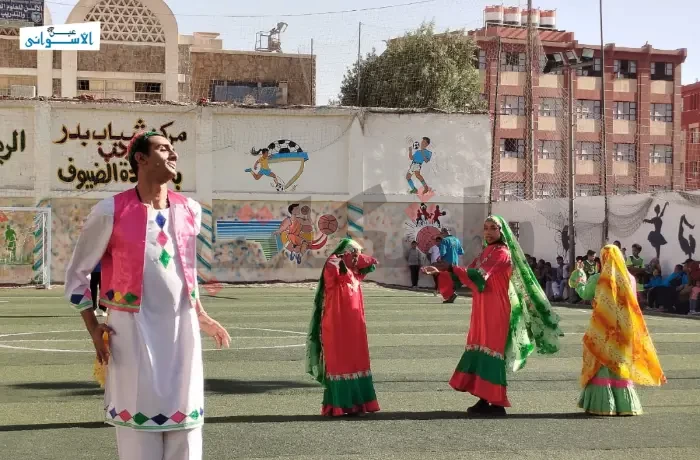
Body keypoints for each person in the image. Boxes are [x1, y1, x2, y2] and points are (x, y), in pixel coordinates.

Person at [64, 131, 231, 460]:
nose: (174, 155)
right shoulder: (110, 211)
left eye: (173, 148)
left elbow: (185, 269)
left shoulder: (191, 210)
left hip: (182, 333)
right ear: (140, 159)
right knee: (139, 435)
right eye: (164, 148)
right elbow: (77, 276)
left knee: (186, 431)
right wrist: (93, 327)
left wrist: (199, 313)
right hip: (131, 333)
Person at [422, 215, 563, 416]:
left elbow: (480, 276)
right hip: (482, 306)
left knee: (493, 350)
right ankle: (483, 398)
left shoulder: (503, 253)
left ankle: (497, 403)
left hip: (496, 307)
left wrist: (450, 267)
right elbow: (468, 273)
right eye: (486, 228)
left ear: (501, 231)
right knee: (480, 346)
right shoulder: (486, 252)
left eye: (493, 228)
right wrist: (440, 271)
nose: (488, 232)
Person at [569, 245, 666, 416]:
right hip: (625, 328)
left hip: (603, 328)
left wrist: (580, 275)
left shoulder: (599, 278)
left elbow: (584, 294)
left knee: (601, 362)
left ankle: (603, 405)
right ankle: (626, 405)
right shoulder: (630, 278)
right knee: (620, 363)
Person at [306, 238, 380, 416]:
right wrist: (343, 258)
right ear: (344, 253)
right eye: (353, 254)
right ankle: (339, 404)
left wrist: (356, 254)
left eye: (357, 255)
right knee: (340, 362)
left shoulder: (354, 271)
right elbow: (335, 272)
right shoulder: (334, 265)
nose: (356, 258)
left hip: (354, 324)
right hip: (336, 323)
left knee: (357, 360)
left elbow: (369, 262)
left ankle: (359, 403)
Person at [438, 228, 464, 302]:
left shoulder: (444, 240)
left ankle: (451, 294)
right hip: (455, 263)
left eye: (441, 233)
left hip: (447, 263)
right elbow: (461, 252)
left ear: (444, 233)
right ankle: (452, 295)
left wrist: (440, 259)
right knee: (452, 279)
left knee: (446, 279)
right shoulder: (456, 240)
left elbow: (443, 253)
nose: (441, 235)